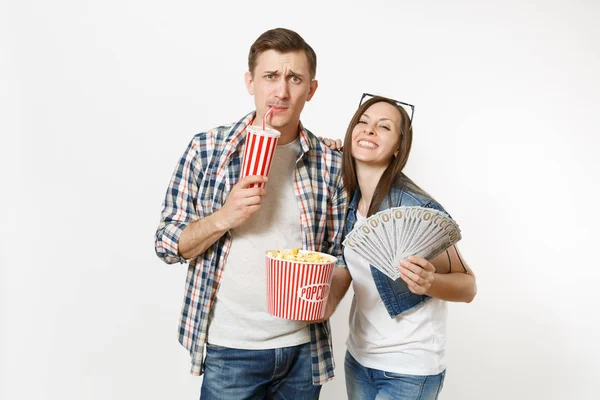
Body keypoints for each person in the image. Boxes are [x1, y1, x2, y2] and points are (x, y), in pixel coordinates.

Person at [154, 28, 347, 399]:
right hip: (230, 350)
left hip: (302, 351)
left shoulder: (329, 163)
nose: (282, 91)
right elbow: (166, 244)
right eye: (270, 76)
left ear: (312, 89)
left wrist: (329, 302)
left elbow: (342, 254)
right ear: (250, 82)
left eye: (295, 78)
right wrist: (224, 217)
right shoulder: (206, 149)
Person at [321, 94, 477, 400]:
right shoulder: (350, 201)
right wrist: (322, 152)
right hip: (359, 361)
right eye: (363, 123)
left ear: (398, 148)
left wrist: (430, 282)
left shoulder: (416, 210)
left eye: (384, 127)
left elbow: (468, 287)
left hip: (409, 371)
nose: (369, 130)